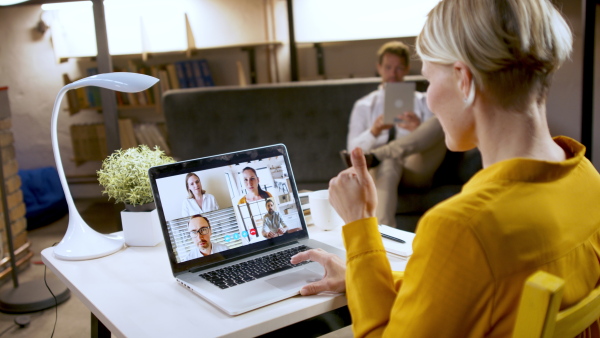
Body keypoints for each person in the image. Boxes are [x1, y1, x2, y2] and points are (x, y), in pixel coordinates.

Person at [292, 0, 600, 336]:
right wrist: (356, 274)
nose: (428, 100)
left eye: (427, 80)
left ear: (463, 80)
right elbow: (460, 288)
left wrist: (360, 223)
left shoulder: (461, 228)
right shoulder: (588, 178)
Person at [346, 40, 446, 228]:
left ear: (407, 69)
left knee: (439, 121)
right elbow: (352, 150)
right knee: (389, 162)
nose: (393, 73)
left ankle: (380, 154)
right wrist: (374, 131)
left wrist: (418, 128)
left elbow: (438, 139)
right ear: (379, 68)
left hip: (415, 166)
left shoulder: (425, 101)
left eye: (399, 68)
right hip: (381, 170)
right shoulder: (364, 105)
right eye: (389, 67)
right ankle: (385, 237)